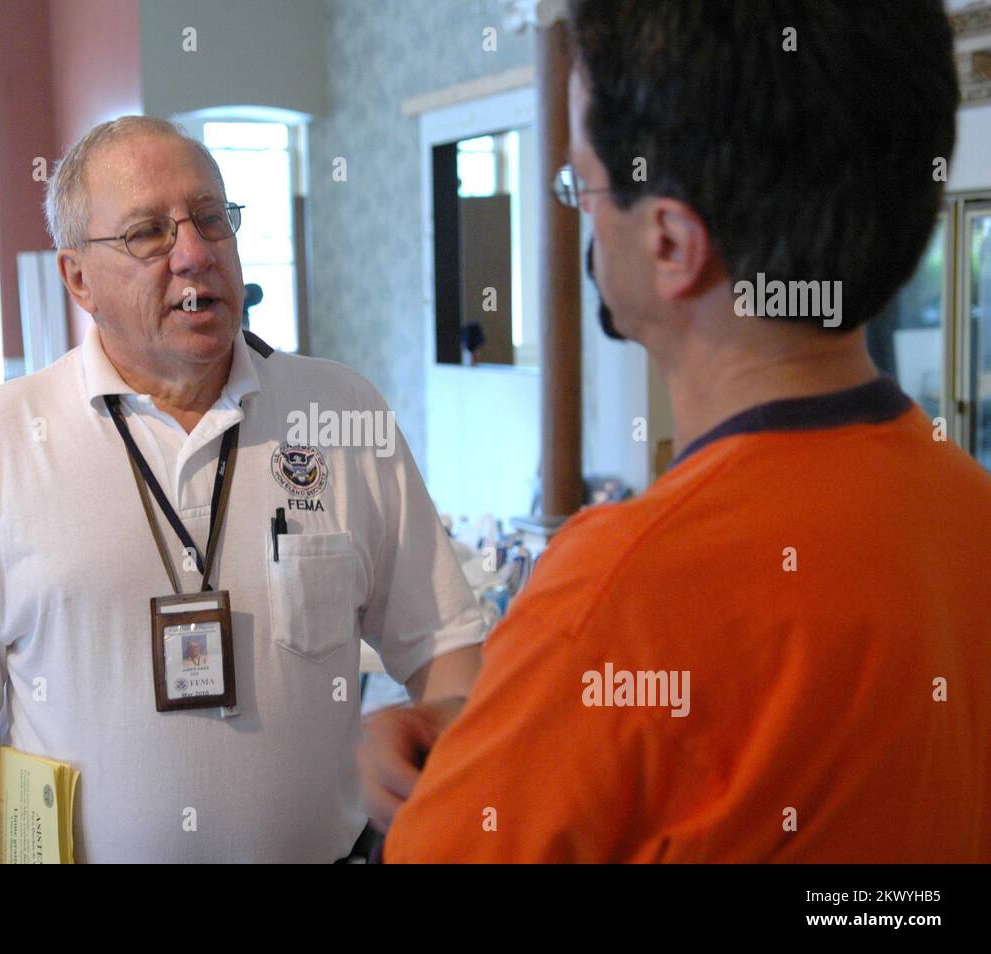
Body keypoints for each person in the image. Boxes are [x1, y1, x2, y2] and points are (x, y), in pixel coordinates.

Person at [370, 0, 991, 862]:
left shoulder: (620, 592)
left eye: (579, 187)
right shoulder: (968, 512)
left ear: (669, 242)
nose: (581, 216)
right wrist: (498, 723)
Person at [0, 116, 484, 863]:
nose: (194, 254)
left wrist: (438, 734)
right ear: (78, 279)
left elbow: (445, 640)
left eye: (212, 219)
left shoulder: (342, 413)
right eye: (148, 233)